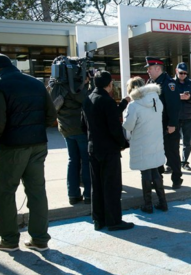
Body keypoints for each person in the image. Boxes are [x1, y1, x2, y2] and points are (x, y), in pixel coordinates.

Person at [0, 53, 57, 252]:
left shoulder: (1, 84)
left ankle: (9, 240)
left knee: (5, 192)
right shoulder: (35, 84)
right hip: (38, 144)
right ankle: (40, 239)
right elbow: (51, 116)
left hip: (11, 148)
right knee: (37, 191)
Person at [81, 71, 134, 231]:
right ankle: (113, 221)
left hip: (93, 147)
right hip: (109, 150)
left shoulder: (88, 99)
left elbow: (83, 126)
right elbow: (114, 127)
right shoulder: (107, 101)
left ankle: (98, 220)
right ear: (109, 84)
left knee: (96, 185)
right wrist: (123, 143)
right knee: (111, 186)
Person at [122, 77, 168, 213]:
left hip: (142, 141)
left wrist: (125, 114)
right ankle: (163, 202)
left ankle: (148, 205)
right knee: (155, 170)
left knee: (146, 172)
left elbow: (128, 125)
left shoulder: (134, 105)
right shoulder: (156, 100)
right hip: (156, 140)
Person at [53, 74, 92, 205]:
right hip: (80, 129)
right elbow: (88, 101)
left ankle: (73, 195)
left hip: (65, 129)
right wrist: (87, 84)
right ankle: (88, 194)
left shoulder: (56, 86)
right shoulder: (76, 87)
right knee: (86, 161)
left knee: (73, 161)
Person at [145, 57, 183, 189]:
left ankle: (177, 179)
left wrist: (172, 124)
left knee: (171, 153)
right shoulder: (150, 82)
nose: (148, 71)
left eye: (150, 68)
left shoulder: (169, 84)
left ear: (158, 68)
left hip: (167, 126)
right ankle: (158, 179)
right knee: (156, 153)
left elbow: (173, 106)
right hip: (155, 126)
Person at [174, 62, 191, 171]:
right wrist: (178, 97)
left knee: (187, 142)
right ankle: (172, 163)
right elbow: (165, 98)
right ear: (176, 71)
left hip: (188, 117)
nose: (183, 75)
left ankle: (184, 162)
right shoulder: (171, 83)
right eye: (181, 73)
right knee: (173, 142)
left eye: (185, 73)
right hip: (174, 117)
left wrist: (189, 98)